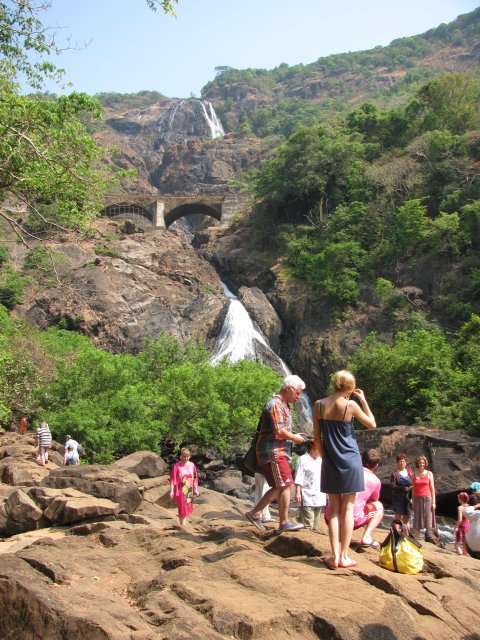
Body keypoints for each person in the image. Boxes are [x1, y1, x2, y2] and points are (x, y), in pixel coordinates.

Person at [313, 369, 376, 570]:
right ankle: (344, 556)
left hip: (330, 461)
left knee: (333, 510)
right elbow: (372, 425)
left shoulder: (318, 405)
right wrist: (364, 401)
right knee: (348, 508)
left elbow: (316, 439)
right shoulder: (351, 405)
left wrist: (326, 458)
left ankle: (333, 557)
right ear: (349, 387)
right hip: (351, 461)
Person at [244, 374, 307, 533]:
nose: (299, 397)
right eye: (298, 393)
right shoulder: (275, 404)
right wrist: (294, 437)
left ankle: (283, 522)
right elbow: (279, 431)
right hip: (272, 451)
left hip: (278, 451)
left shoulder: (284, 404)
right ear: (288, 389)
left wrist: (294, 435)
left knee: (285, 485)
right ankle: (255, 513)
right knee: (283, 485)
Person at [353, 449, 384, 548]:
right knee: (379, 506)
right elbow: (375, 499)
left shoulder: (350, 470)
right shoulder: (375, 480)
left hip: (330, 516)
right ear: (376, 465)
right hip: (352, 520)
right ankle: (366, 537)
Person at [294, 440, 326, 530]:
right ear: (313, 448)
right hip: (306, 494)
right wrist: (297, 492)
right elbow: (299, 476)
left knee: (317, 525)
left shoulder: (321, 460)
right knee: (308, 523)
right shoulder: (302, 460)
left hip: (319, 494)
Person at [169, 447, 199, 526]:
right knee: (182, 508)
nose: (186, 458)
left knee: (187, 508)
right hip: (181, 490)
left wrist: (196, 489)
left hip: (189, 489)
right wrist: (172, 491)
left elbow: (195, 477)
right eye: (184, 456)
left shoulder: (192, 465)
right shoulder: (177, 466)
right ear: (181, 456)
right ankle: (183, 526)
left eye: (188, 456)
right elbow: (173, 479)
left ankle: (183, 524)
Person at [411, 455, 435, 540]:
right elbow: (413, 490)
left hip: (427, 499)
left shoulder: (429, 474)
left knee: (428, 521)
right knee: (417, 522)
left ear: (425, 464)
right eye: (420, 463)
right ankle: (416, 540)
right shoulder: (414, 474)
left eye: (423, 463)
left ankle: (430, 538)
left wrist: (433, 502)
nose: (421, 464)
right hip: (417, 499)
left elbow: (432, 488)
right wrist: (413, 503)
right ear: (417, 464)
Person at [390, 453, 413, 528]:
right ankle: (396, 536)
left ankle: (407, 537)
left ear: (406, 462)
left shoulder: (410, 472)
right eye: (400, 461)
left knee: (406, 520)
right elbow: (392, 485)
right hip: (398, 499)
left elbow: (414, 482)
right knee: (397, 519)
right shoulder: (395, 474)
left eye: (403, 461)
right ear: (397, 462)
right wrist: (404, 489)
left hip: (408, 498)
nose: (402, 463)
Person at [464, 493, 480, 559]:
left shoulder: (476, 514)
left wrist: (476, 506)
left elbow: (465, 511)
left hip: (471, 549)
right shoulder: (477, 514)